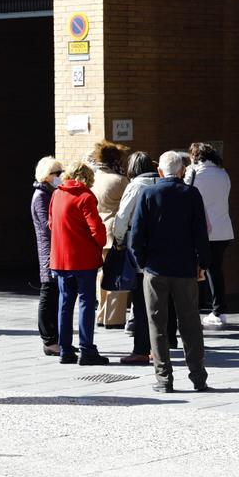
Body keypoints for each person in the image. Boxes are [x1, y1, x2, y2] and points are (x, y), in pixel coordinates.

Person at [128, 150, 211, 394]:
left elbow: (137, 235)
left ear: (160, 171)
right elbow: (200, 233)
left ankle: (164, 378)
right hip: (185, 268)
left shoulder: (148, 193)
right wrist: (203, 264)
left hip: (155, 269)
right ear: (182, 171)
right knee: (190, 323)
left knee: (157, 324)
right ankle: (198, 376)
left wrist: (141, 263)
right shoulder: (191, 194)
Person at [49, 160, 110, 366]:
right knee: (86, 303)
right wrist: (101, 242)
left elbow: (51, 223)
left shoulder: (57, 194)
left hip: (60, 259)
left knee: (65, 304)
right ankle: (86, 350)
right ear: (87, 177)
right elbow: (97, 230)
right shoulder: (85, 197)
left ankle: (65, 350)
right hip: (83, 260)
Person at [112, 151, 158, 365]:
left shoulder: (136, 186)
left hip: (139, 249)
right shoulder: (163, 181)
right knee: (162, 299)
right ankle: (161, 346)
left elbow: (122, 218)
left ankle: (141, 349)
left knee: (140, 301)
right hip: (163, 251)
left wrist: (119, 241)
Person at [185, 142, 234, 327]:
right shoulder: (223, 173)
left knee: (194, 268)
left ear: (195, 156)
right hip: (223, 229)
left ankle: (193, 307)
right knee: (215, 270)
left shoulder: (194, 172)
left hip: (200, 229)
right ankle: (219, 310)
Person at [90, 140, 130, 329]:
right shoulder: (120, 180)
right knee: (117, 274)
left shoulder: (94, 178)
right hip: (116, 232)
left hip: (98, 232)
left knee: (102, 273)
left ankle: (100, 313)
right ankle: (113, 317)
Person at [30, 156, 63, 357]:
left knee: (54, 294)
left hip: (54, 249)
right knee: (48, 292)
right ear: (46, 175)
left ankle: (54, 338)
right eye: (56, 173)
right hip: (49, 251)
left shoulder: (51, 193)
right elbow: (46, 226)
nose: (60, 176)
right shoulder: (41, 196)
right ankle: (49, 340)